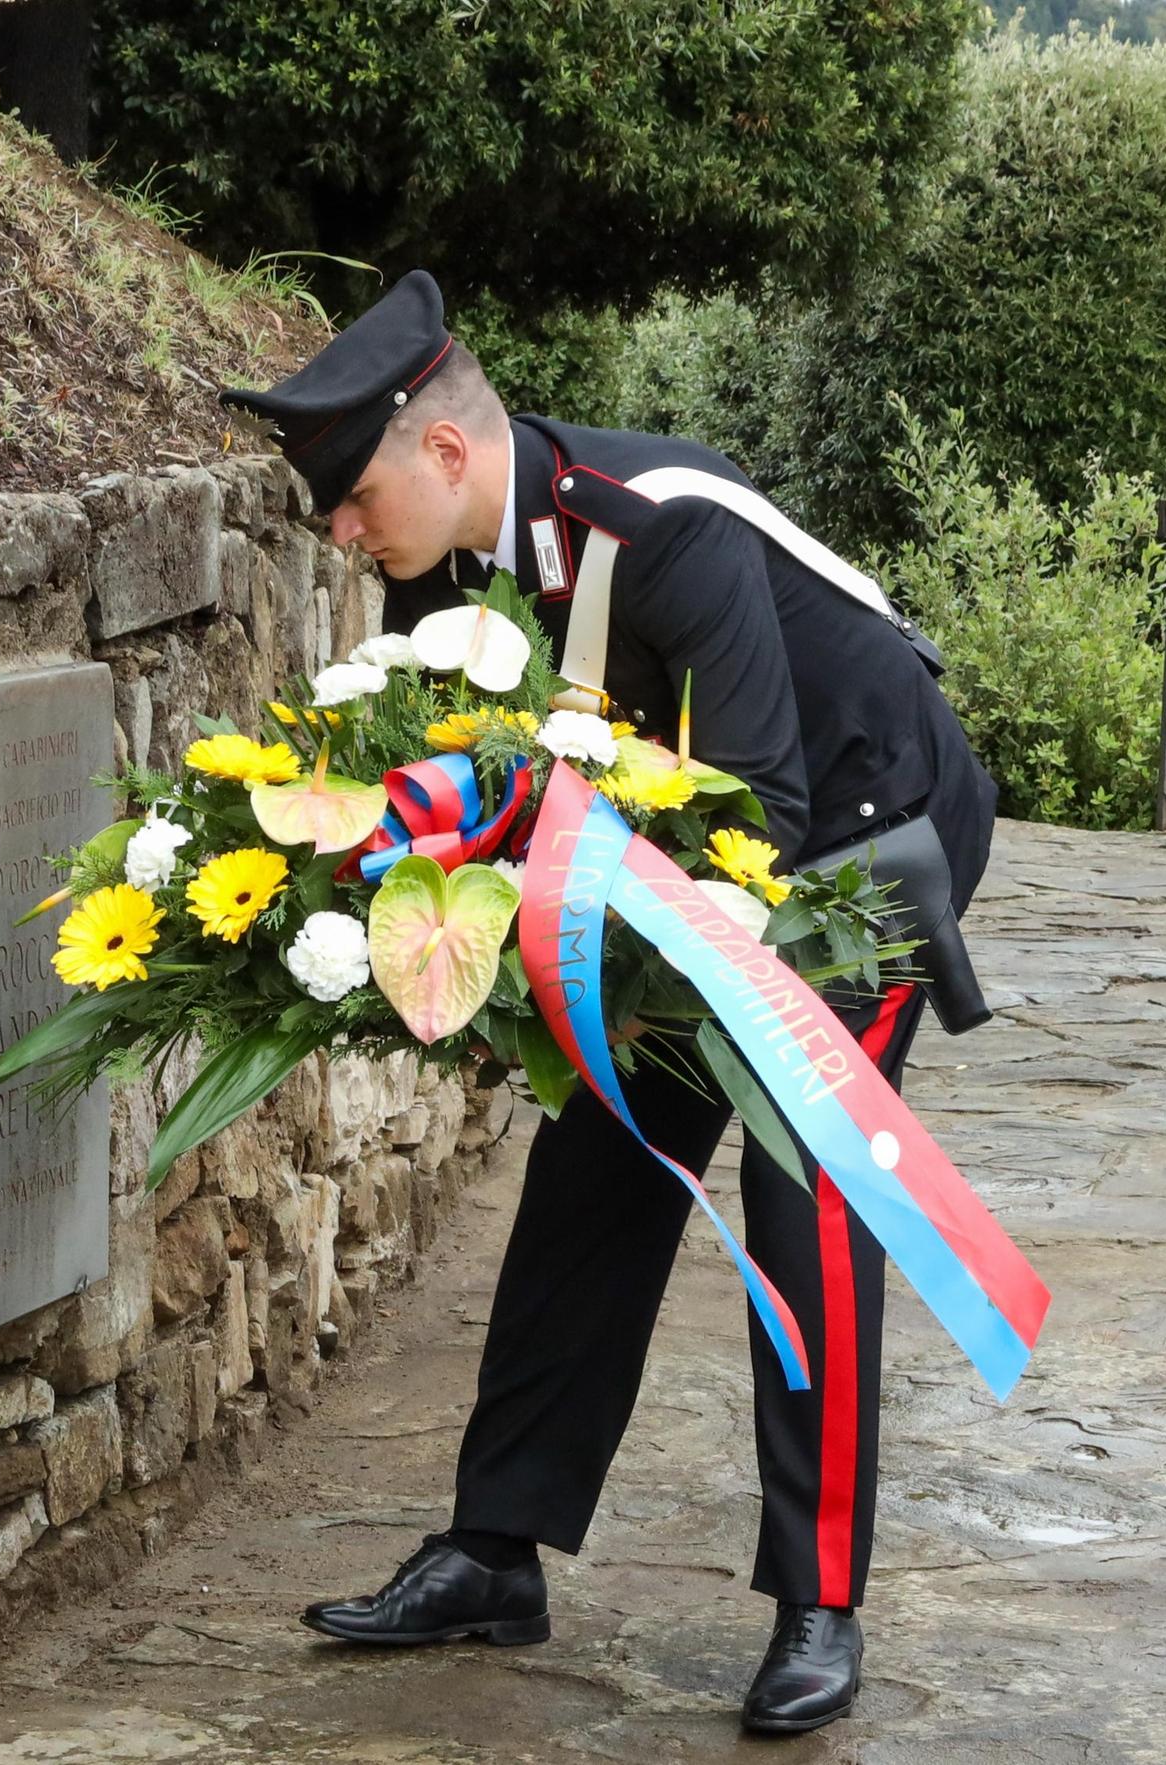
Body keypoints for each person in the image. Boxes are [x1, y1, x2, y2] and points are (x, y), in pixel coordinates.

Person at [223, 271, 997, 1735]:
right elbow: (479, 772)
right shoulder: (448, 563)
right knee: (596, 1163)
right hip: (677, 870)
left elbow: (758, 811)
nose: (337, 528)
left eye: (349, 493)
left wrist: (607, 942)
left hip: (852, 842)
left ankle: (818, 1602)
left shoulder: (667, 526)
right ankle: (495, 1550)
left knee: (804, 1186)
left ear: (444, 454)